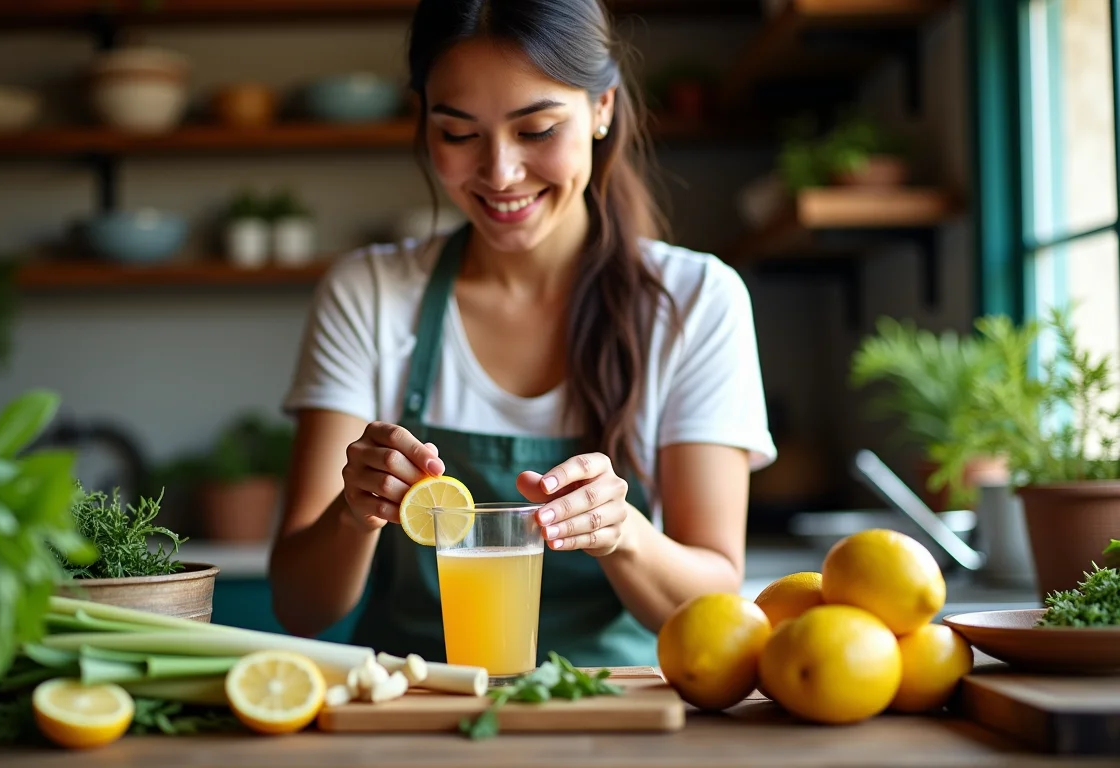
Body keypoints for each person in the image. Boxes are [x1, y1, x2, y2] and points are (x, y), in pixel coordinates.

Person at [268, 0, 776, 668]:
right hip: (417, 713)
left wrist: (621, 533)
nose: (500, 173)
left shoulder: (696, 302)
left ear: (601, 109)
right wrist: (351, 512)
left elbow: (715, 601)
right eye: (458, 134)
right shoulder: (369, 295)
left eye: (536, 129)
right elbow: (301, 608)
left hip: (612, 710)